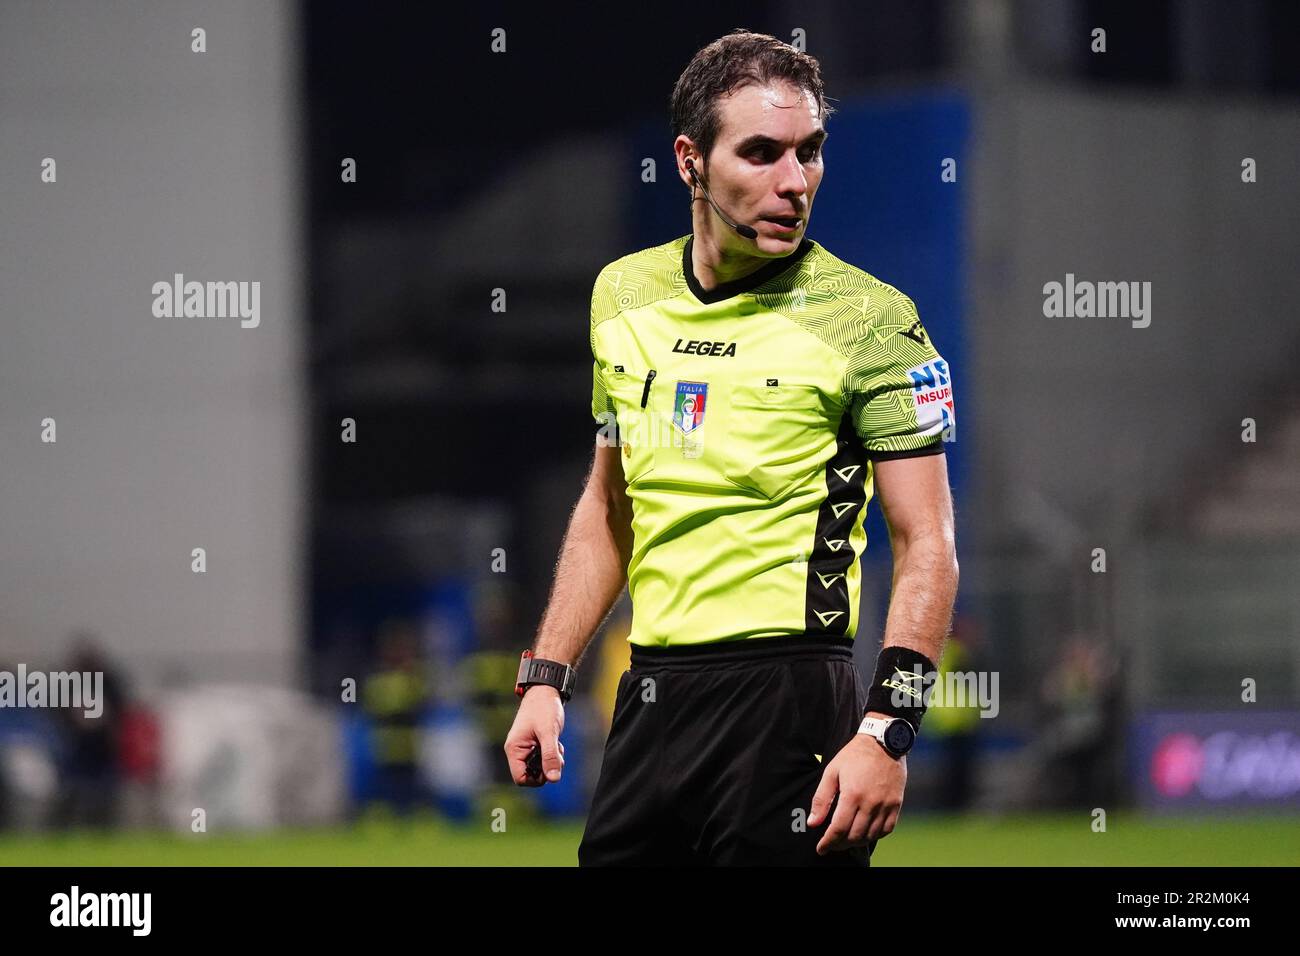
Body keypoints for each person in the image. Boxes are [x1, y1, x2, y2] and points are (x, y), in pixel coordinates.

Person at [504, 29, 958, 866]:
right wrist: (545, 677)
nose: (795, 182)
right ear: (690, 161)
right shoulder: (622, 296)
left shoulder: (873, 323)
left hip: (790, 702)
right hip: (648, 700)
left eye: (810, 152)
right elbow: (610, 507)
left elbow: (928, 542)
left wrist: (889, 730)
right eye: (761, 153)